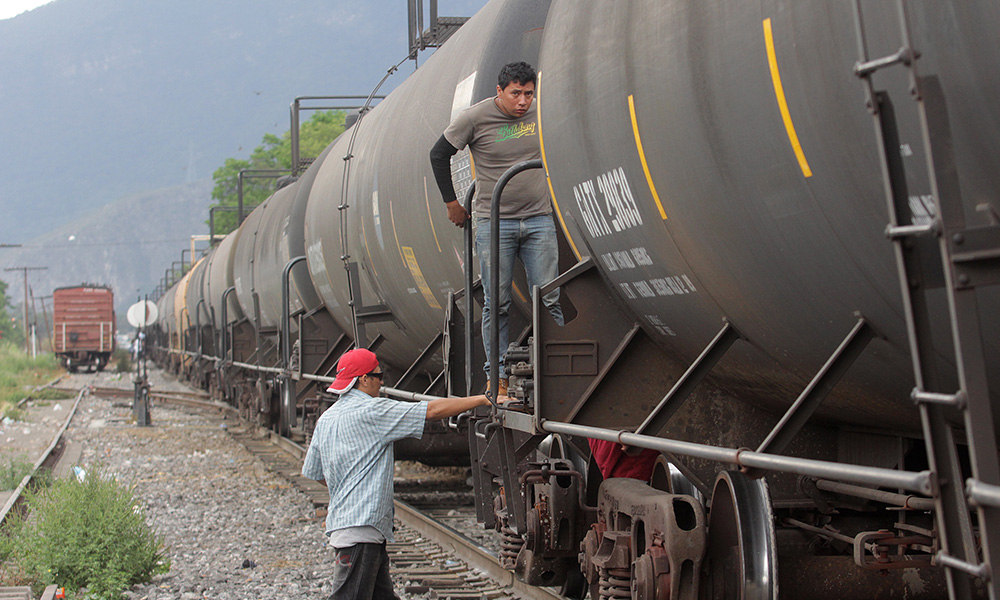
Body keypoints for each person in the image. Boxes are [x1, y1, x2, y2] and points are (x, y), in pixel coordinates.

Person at [302, 348, 501, 600]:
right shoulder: (374, 412)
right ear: (363, 379)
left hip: (350, 526)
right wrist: (482, 400)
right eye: (378, 375)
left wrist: (345, 489)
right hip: (361, 529)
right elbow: (431, 411)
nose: (382, 382)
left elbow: (314, 471)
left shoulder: (327, 419)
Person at [429, 61, 563, 397]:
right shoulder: (475, 118)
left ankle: (559, 367)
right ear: (499, 92)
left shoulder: (543, 113)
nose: (523, 101)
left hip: (538, 218)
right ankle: (498, 376)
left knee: (550, 296)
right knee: (496, 302)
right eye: (516, 93)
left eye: (529, 94)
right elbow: (438, 153)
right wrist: (451, 203)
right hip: (494, 223)